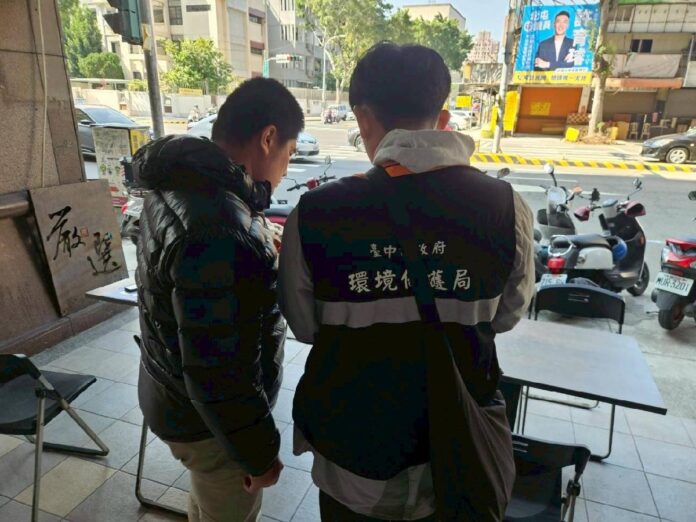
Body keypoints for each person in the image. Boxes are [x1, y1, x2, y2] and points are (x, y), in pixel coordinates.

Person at [279, 43, 535, 520]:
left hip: (354, 455)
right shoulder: (506, 206)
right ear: (442, 117)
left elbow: (305, 326)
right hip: (457, 454)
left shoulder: (315, 213)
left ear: (362, 118)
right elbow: (507, 315)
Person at [132, 77, 304, 522]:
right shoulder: (219, 227)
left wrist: (257, 244)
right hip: (207, 424)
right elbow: (220, 373)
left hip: (168, 390)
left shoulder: (175, 183)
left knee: (207, 498)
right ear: (268, 138)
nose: (285, 169)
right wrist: (258, 455)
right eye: (288, 153)